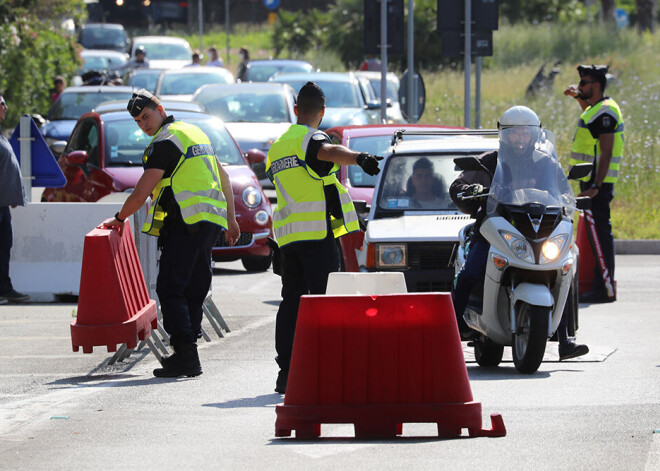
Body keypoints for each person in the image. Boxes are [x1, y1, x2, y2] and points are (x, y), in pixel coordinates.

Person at [103, 89, 239, 378]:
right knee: (194, 285)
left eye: (146, 116)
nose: (144, 124)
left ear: (160, 109)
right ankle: (188, 351)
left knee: (170, 287)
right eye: (138, 121)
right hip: (210, 221)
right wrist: (231, 218)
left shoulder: (163, 143)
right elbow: (223, 176)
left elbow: (141, 191)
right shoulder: (195, 132)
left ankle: (186, 355)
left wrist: (119, 218)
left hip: (185, 220)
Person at [266, 81, 383, 393]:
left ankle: (287, 373)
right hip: (318, 235)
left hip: (289, 239)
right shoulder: (311, 138)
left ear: (295, 109)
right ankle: (326, 368)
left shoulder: (276, 148)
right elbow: (327, 150)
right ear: (322, 111)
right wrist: (360, 158)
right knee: (326, 302)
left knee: (291, 302)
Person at [449, 105, 589, 361]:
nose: (520, 138)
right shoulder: (490, 160)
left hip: (538, 227)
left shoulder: (545, 162)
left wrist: (571, 198)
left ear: (535, 135)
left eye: (526, 133)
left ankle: (566, 339)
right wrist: (471, 188)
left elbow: (563, 190)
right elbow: (459, 183)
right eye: (515, 133)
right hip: (497, 225)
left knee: (563, 271)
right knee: (470, 272)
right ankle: (452, 331)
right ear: (504, 135)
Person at [564, 64, 623, 304]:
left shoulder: (606, 112)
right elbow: (591, 118)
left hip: (596, 185)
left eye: (583, 83)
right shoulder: (597, 109)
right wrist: (579, 97)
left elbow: (606, 152)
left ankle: (605, 289)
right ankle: (601, 285)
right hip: (590, 183)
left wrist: (596, 186)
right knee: (596, 236)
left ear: (596, 86)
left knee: (600, 238)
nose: (579, 87)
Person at [0, 92, 29, 304]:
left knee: (4, 245)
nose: (6, 108)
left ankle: (4, 288)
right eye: (2, 104)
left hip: (2, 204)